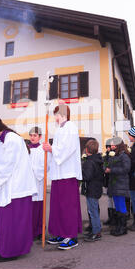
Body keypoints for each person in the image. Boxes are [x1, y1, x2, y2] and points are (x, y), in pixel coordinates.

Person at [0, 116, 37, 262]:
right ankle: (4, 249)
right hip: (13, 185)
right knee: (6, 221)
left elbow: (7, 164)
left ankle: (11, 251)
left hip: (17, 188)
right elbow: (4, 161)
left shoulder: (11, 139)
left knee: (12, 222)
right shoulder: (7, 138)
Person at [43, 104, 83, 250]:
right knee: (58, 205)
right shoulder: (60, 129)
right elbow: (57, 150)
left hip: (68, 173)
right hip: (58, 174)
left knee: (67, 206)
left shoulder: (70, 127)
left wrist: (52, 148)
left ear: (63, 114)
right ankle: (61, 232)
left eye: (56, 114)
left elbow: (68, 148)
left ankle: (71, 236)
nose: (55, 117)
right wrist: (49, 149)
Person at [105, 136, 131, 236]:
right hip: (115, 184)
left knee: (121, 206)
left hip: (120, 184)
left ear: (118, 145)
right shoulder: (115, 155)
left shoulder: (124, 156)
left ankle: (123, 228)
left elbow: (126, 169)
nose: (111, 146)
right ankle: (119, 226)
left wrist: (111, 170)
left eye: (112, 144)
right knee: (117, 206)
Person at [81, 139, 104, 242]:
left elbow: (87, 176)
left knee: (93, 211)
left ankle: (96, 232)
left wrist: (81, 171)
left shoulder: (89, 162)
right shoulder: (97, 159)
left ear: (86, 150)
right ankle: (95, 229)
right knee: (94, 210)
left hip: (92, 189)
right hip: (96, 188)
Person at [28, 127, 47, 241]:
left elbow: (46, 166)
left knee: (39, 209)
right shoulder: (26, 149)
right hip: (28, 183)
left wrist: (35, 170)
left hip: (38, 182)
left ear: (40, 137)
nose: (32, 137)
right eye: (31, 135)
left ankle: (40, 231)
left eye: (35, 135)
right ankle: (30, 230)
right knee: (29, 210)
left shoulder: (42, 149)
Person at [103, 138, 115, 226]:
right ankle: (110, 217)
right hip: (107, 179)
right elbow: (103, 165)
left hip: (113, 180)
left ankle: (115, 218)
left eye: (110, 146)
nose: (109, 148)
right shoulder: (106, 156)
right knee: (109, 199)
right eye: (108, 147)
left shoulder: (115, 155)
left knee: (113, 199)